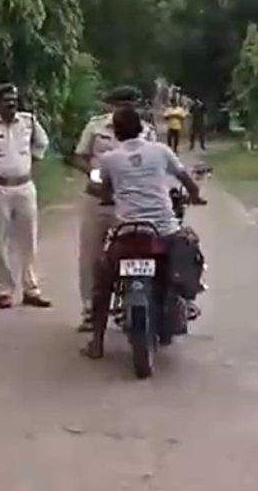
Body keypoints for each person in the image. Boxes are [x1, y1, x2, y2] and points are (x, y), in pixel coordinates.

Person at [85, 105, 204, 359]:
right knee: (189, 252)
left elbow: (99, 189)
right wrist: (195, 195)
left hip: (127, 234)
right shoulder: (160, 151)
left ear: (116, 133)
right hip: (163, 231)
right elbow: (185, 178)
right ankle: (188, 298)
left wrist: (109, 196)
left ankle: (96, 341)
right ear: (142, 128)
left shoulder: (109, 159)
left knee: (103, 280)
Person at [73, 85, 145, 332]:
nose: (127, 108)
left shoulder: (146, 130)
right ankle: (91, 311)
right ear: (110, 106)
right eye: (122, 104)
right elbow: (80, 156)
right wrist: (96, 176)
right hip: (99, 198)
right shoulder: (95, 127)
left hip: (131, 201)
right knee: (92, 255)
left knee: (136, 252)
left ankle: (134, 305)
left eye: (132, 104)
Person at [0, 83, 52, 310]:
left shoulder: (28, 121)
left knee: (29, 239)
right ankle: (5, 290)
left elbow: (42, 142)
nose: (11, 103)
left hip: (24, 185)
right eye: (6, 100)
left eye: (14, 99)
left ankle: (31, 289)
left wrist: (31, 159)